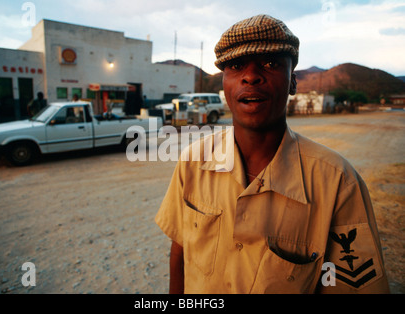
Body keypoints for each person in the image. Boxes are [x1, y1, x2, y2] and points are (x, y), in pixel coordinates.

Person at [155, 15, 390, 294]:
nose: (251, 75)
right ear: (224, 84)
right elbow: (180, 251)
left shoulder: (338, 182)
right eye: (236, 65)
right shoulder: (193, 162)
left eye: (270, 63)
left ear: (293, 83)